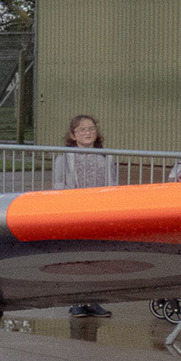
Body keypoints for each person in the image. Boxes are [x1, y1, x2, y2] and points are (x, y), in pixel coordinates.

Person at [53, 114, 116, 318]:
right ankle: (76, 301)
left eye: (91, 129)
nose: (88, 133)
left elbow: (112, 185)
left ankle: (94, 300)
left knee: (96, 259)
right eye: (82, 130)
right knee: (77, 258)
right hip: (76, 213)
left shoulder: (106, 156)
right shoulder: (64, 158)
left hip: (99, 212)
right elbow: (59, 186)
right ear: (73, 135)